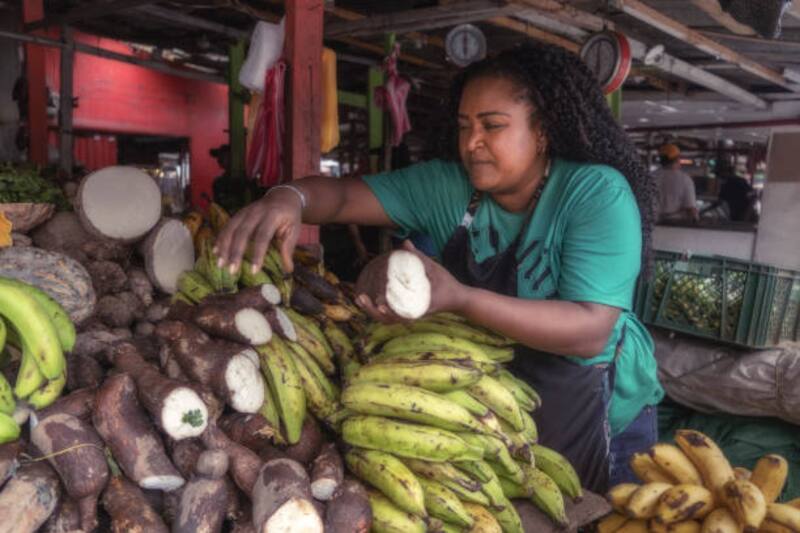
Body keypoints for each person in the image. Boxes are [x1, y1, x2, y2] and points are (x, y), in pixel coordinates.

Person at [215, 42, 663, 492]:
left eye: (493, 126)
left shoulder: (593, 194)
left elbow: (590, 330)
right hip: (498, 395)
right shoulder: (451, 187)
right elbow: (344, 197)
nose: (472, 143)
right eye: (465, 125)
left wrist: (460, 298)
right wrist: (290, 198)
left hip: (596, 407)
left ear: (543, 130)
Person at [655, 143, 699, 223]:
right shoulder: (685, 179)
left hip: (652, 223)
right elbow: (691, 209)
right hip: (676, 226)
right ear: (677, 159)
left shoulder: (650, 177)